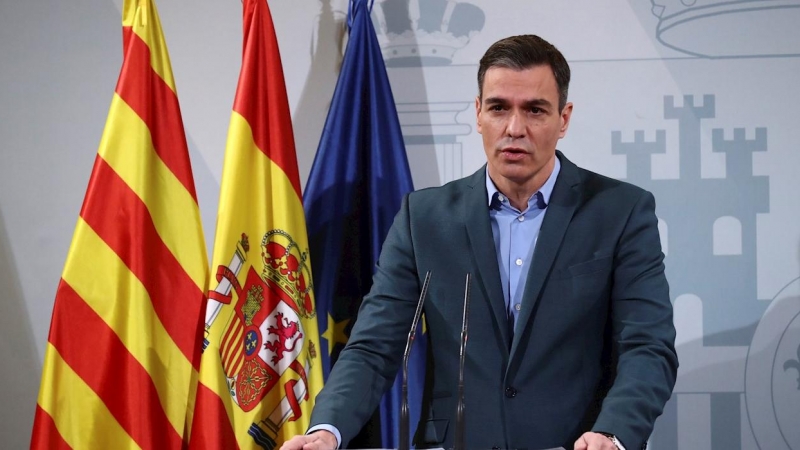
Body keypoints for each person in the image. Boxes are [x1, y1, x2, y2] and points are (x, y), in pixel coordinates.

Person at [281, 34, 678, 450]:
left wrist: (612, 435)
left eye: (535, 110)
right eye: (499, 107)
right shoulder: (424, 218)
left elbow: (647, 346)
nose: (514, 128)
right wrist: (326, 431)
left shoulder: (620, 212)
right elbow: (374, 347)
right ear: (478, 113)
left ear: (564, 118)